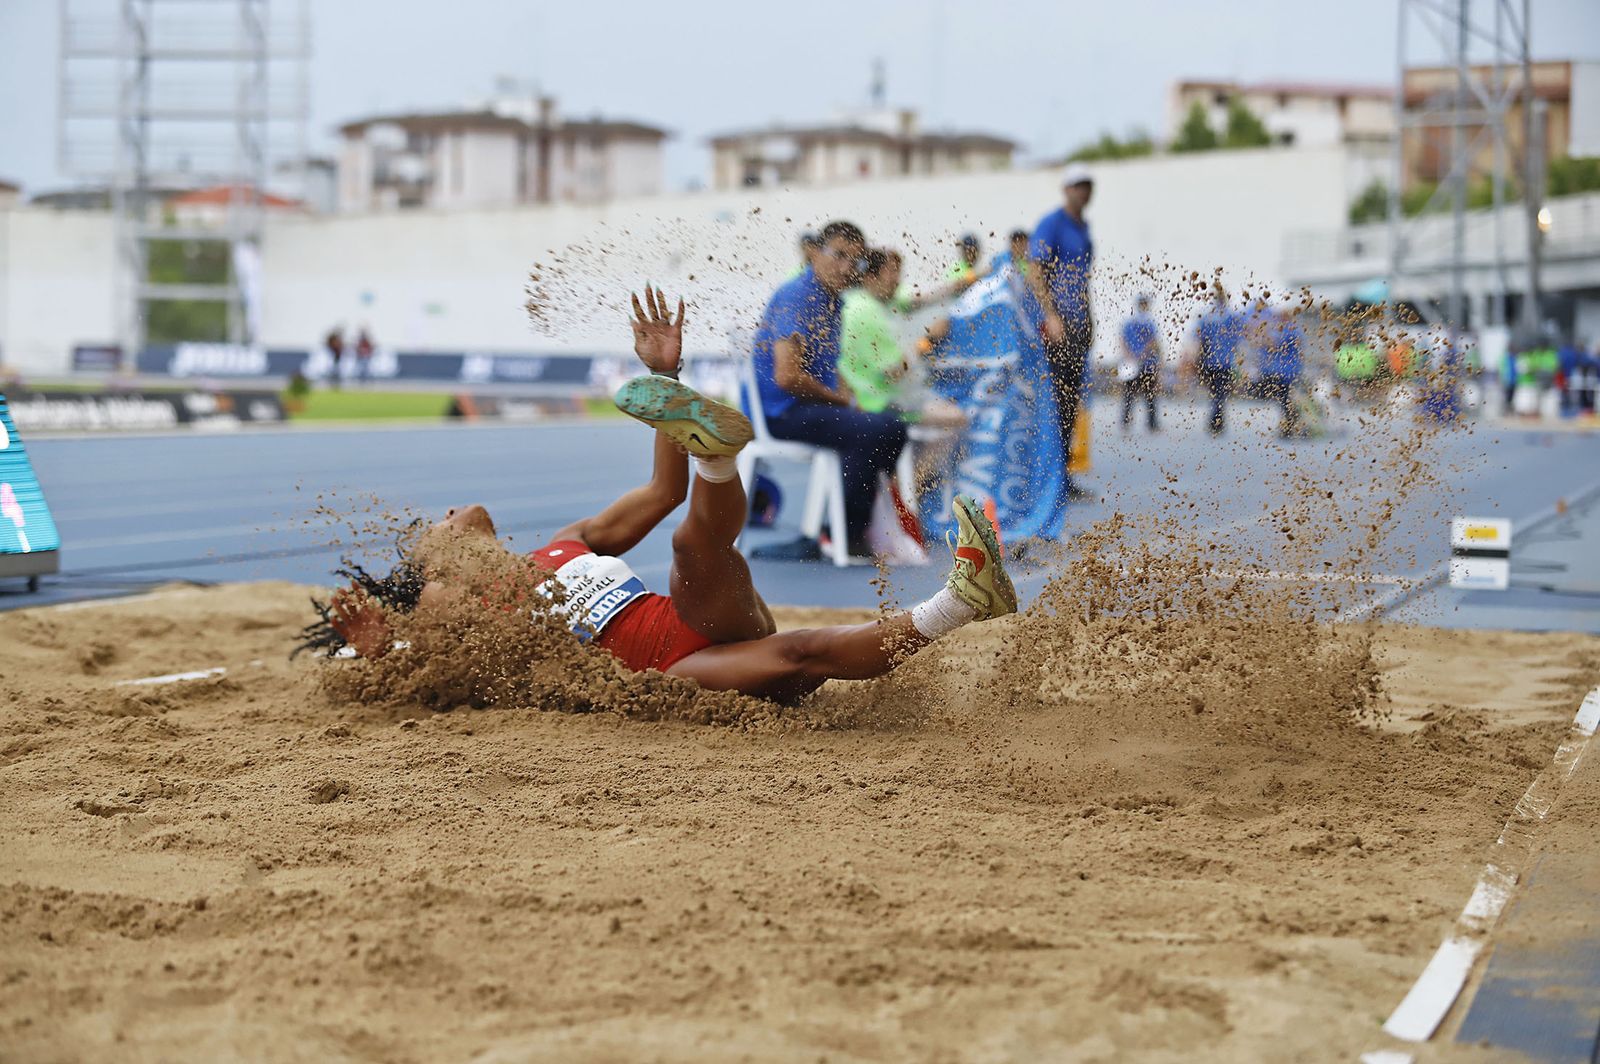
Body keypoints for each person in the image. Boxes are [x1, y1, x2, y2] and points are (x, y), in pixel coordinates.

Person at [304, 285, 1016, 704]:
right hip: (669, 669)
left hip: (695, 611)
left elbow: (658, 489)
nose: (452, 512)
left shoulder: (565, 542)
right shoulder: (445, 603)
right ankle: (963, 601)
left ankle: (713, 456)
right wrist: (374, 648)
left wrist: (667, 383)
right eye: (439, 523)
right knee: (803, 660)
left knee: (689, 540)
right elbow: (425, 675)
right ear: (432, 563)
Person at [751, 221, 907, 558]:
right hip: (783, 411)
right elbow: (787, 377)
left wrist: (850, 401)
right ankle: (845, 532)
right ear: (813, 253)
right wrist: (841, 401)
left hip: (810, 407)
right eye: (838, 256)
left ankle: (842, 530)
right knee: (884, 430)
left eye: (856, 261)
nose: (846, 267)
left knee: (885, 428)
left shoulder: (833, 301)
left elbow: (829, 365)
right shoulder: (797, 296)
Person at [1023, 164, 1097, 501]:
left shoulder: (1083, 229)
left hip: (1078, 322)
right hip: (1058, 324)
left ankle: (1062, 477)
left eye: (1087, 186)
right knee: (1053, 400)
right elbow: (1036, 269)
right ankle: (1042, 480)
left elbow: (1082, 279)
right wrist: (1050, 315)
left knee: (1069, 403)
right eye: (1078, 185)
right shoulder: (1052, 224)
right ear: (1066, 189)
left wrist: (1089, 318)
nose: (1083, 191)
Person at [1195, 292, 1242, 435]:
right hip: (1226, 361)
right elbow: (1238, 339)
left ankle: (1215, 420)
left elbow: (1199, 339)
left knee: (1215, 391)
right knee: (1221, 392)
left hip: (1210, 361)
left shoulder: (1206, 316)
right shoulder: (1232, 316)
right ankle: (1217, 421)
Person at [1256, 306, 1304, 438]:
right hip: (1289, 370)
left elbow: (1272, 344)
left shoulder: (1287, 330)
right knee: (1285, 399)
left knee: (1285, 399)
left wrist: (1263, 337)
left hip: (1286, 372)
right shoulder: (1293, 330)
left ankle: (1289, 425)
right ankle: (1290, 422)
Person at [1118, 295, 1161, 433]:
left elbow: (1122, 340)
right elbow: (1154, 341)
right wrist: (1143, 354)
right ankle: (1152, 423)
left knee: (1129, 393)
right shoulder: (1150, 322)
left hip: (1131, 362)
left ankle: (1125, 420)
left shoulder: (1129, 322)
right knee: (1149, 394)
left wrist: (1129, 354)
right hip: (1147, 362)